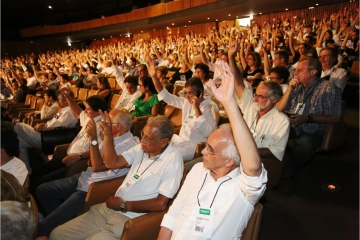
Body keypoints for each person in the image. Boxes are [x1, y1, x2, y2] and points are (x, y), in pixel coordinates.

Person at [158, 60, 267, 240]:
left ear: (229, 161)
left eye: (210, 150)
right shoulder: (196, 171)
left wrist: (229, 101)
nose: (202, 153)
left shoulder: (243, 189)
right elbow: (173, 215)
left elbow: (254, 168)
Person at [50, 115, 184, 240]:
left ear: (163, 142)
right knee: (56, 235)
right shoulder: (141, 148)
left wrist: (124, 205)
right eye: (143, 134)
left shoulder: (173, 160)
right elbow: (111, 163)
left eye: (148, 138)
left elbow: (160, 204)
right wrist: (108, 135)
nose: (142, 140)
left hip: (129, 218)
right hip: (108, 208)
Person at [36, 109, 138, 237]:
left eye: (107, 122)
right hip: (85, 177)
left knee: (44, 227)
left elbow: (97, 166)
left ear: (118, 127)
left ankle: (51, 225)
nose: (102, 124)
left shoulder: (129, 145)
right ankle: (58, 220)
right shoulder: (109, 135)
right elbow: (92, 161)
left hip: (93, 188)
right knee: (42, 190)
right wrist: (94, 147)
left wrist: (93, 138)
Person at [277, 57, 342, 176]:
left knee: (303, 145)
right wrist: (289, 90)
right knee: (272, 133)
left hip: (314, 130)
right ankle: (272, 166)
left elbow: (336, 118)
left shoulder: (328, 88)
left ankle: (284, 173)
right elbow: (278, 110)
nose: (295, 74)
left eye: (300, 70)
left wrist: (307, 118)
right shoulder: (296, 88)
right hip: (293, 125)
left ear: (313, 72)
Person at [147, 55, 219, 161]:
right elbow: (167, 97)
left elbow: (208, 133)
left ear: (200, 93)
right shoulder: (187, 102)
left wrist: (196, 109)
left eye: (190, 94)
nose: (187, 97)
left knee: (167, 156)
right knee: (152, 148)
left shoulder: (211, 106)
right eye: (186, 93)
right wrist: (154, 77)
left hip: (194, 146)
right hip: (180, 141)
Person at [228, 43, 290, 161]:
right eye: (255, 95)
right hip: (236, 157)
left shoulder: (281, 121)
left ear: (274, 99)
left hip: (258, 163)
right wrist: (231, 56)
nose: (255, 99)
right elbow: (238, 82)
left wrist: (246, 149)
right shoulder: (252, 107)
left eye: (260, 97)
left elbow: (275, 151)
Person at [13, 91, 78, 174]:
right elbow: (52, 122)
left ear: (66, 100)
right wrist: (43, 124)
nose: (57, 101)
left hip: (50, 138)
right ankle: (27, 171)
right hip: (46, 134)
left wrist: (44, 128)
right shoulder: (62, 110)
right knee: (20, 141)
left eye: (59, 99)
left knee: (18, 126)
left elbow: (58, 128)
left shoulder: (69, 112)